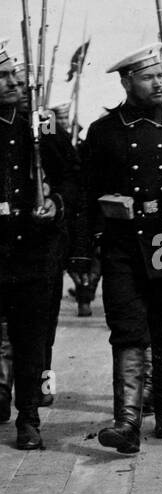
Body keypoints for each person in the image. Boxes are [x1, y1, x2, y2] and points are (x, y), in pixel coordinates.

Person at [81, 44, 162, 453]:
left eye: (160, 75)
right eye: (148, 76)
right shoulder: (103, 132)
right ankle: (127, 422)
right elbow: (87, 193)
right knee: (128, 330)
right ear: (126, 81)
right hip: (123, 246)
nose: (158, 83)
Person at [0, 42, 79, 449]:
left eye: (15, 73)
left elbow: (71, 178)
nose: (14, 81)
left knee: (31, 337)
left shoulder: (41, 124)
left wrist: (57, 202)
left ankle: (28, 418)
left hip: (34, 250)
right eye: (3, 76)